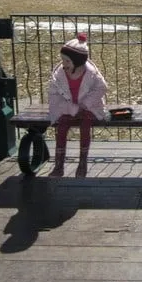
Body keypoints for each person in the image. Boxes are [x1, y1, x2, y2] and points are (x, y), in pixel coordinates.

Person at [48, 32, 108, 177]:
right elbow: (54, 95)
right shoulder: (58, 76)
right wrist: (69, 109)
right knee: (62, 126)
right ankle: (59, 164)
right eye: (63, 60)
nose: (64, 65)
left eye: (67, 61)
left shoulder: (91, 73)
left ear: (78, 62)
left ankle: (82, 162)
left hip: (88, 108)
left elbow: (102, 87)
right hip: (66, 109)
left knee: (86, 123)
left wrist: (85, 104)